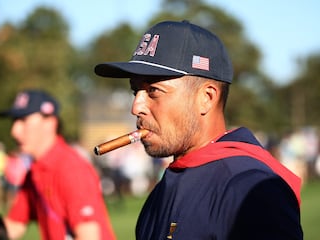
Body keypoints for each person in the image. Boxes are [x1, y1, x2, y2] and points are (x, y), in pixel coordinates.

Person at [94, 20, 303, 239]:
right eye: (135, 90)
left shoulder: (252, 190)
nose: (136, 107)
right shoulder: (160, 191)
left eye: (153, 90)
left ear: (206, 98)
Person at [0, 90, 116, 240]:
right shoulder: (35, 170)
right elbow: (14, 226)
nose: (14, 131)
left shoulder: (70, 168)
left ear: (50, 122)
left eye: (23, 120)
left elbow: (89, 237)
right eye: (14, 121)